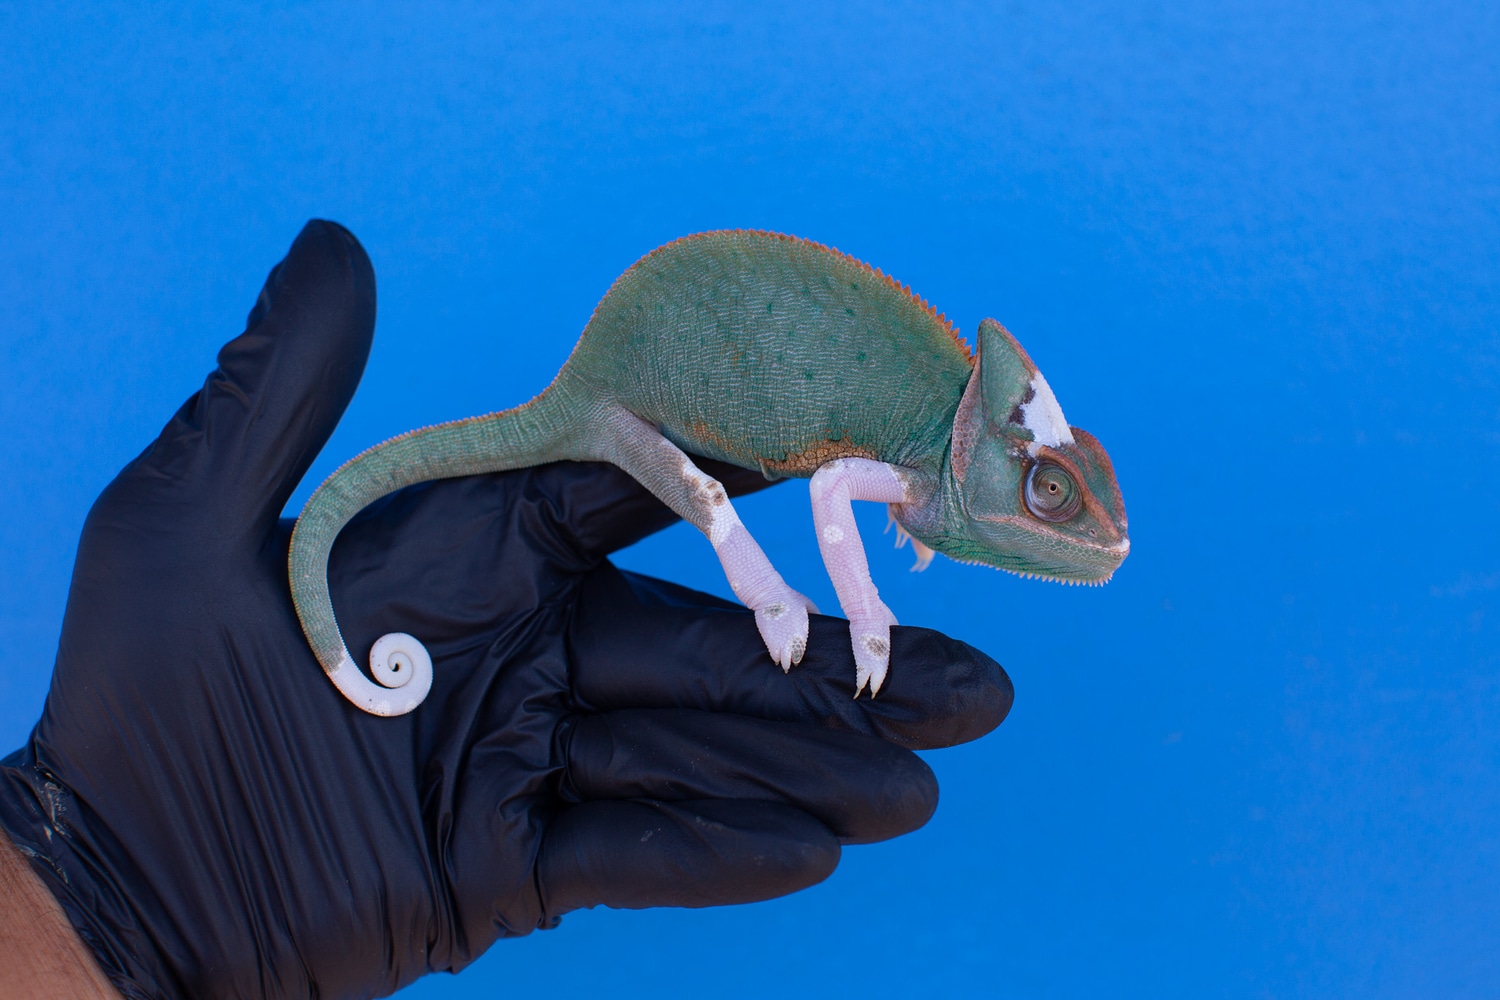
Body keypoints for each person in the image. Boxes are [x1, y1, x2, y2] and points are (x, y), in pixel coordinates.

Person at [0, 222, 1013, 999]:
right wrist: (101, 878)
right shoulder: (933, 432)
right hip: (640, 383)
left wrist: (106, 909)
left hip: (679, 373)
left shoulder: (938, 424)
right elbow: (834, 490)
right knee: (704, 497)